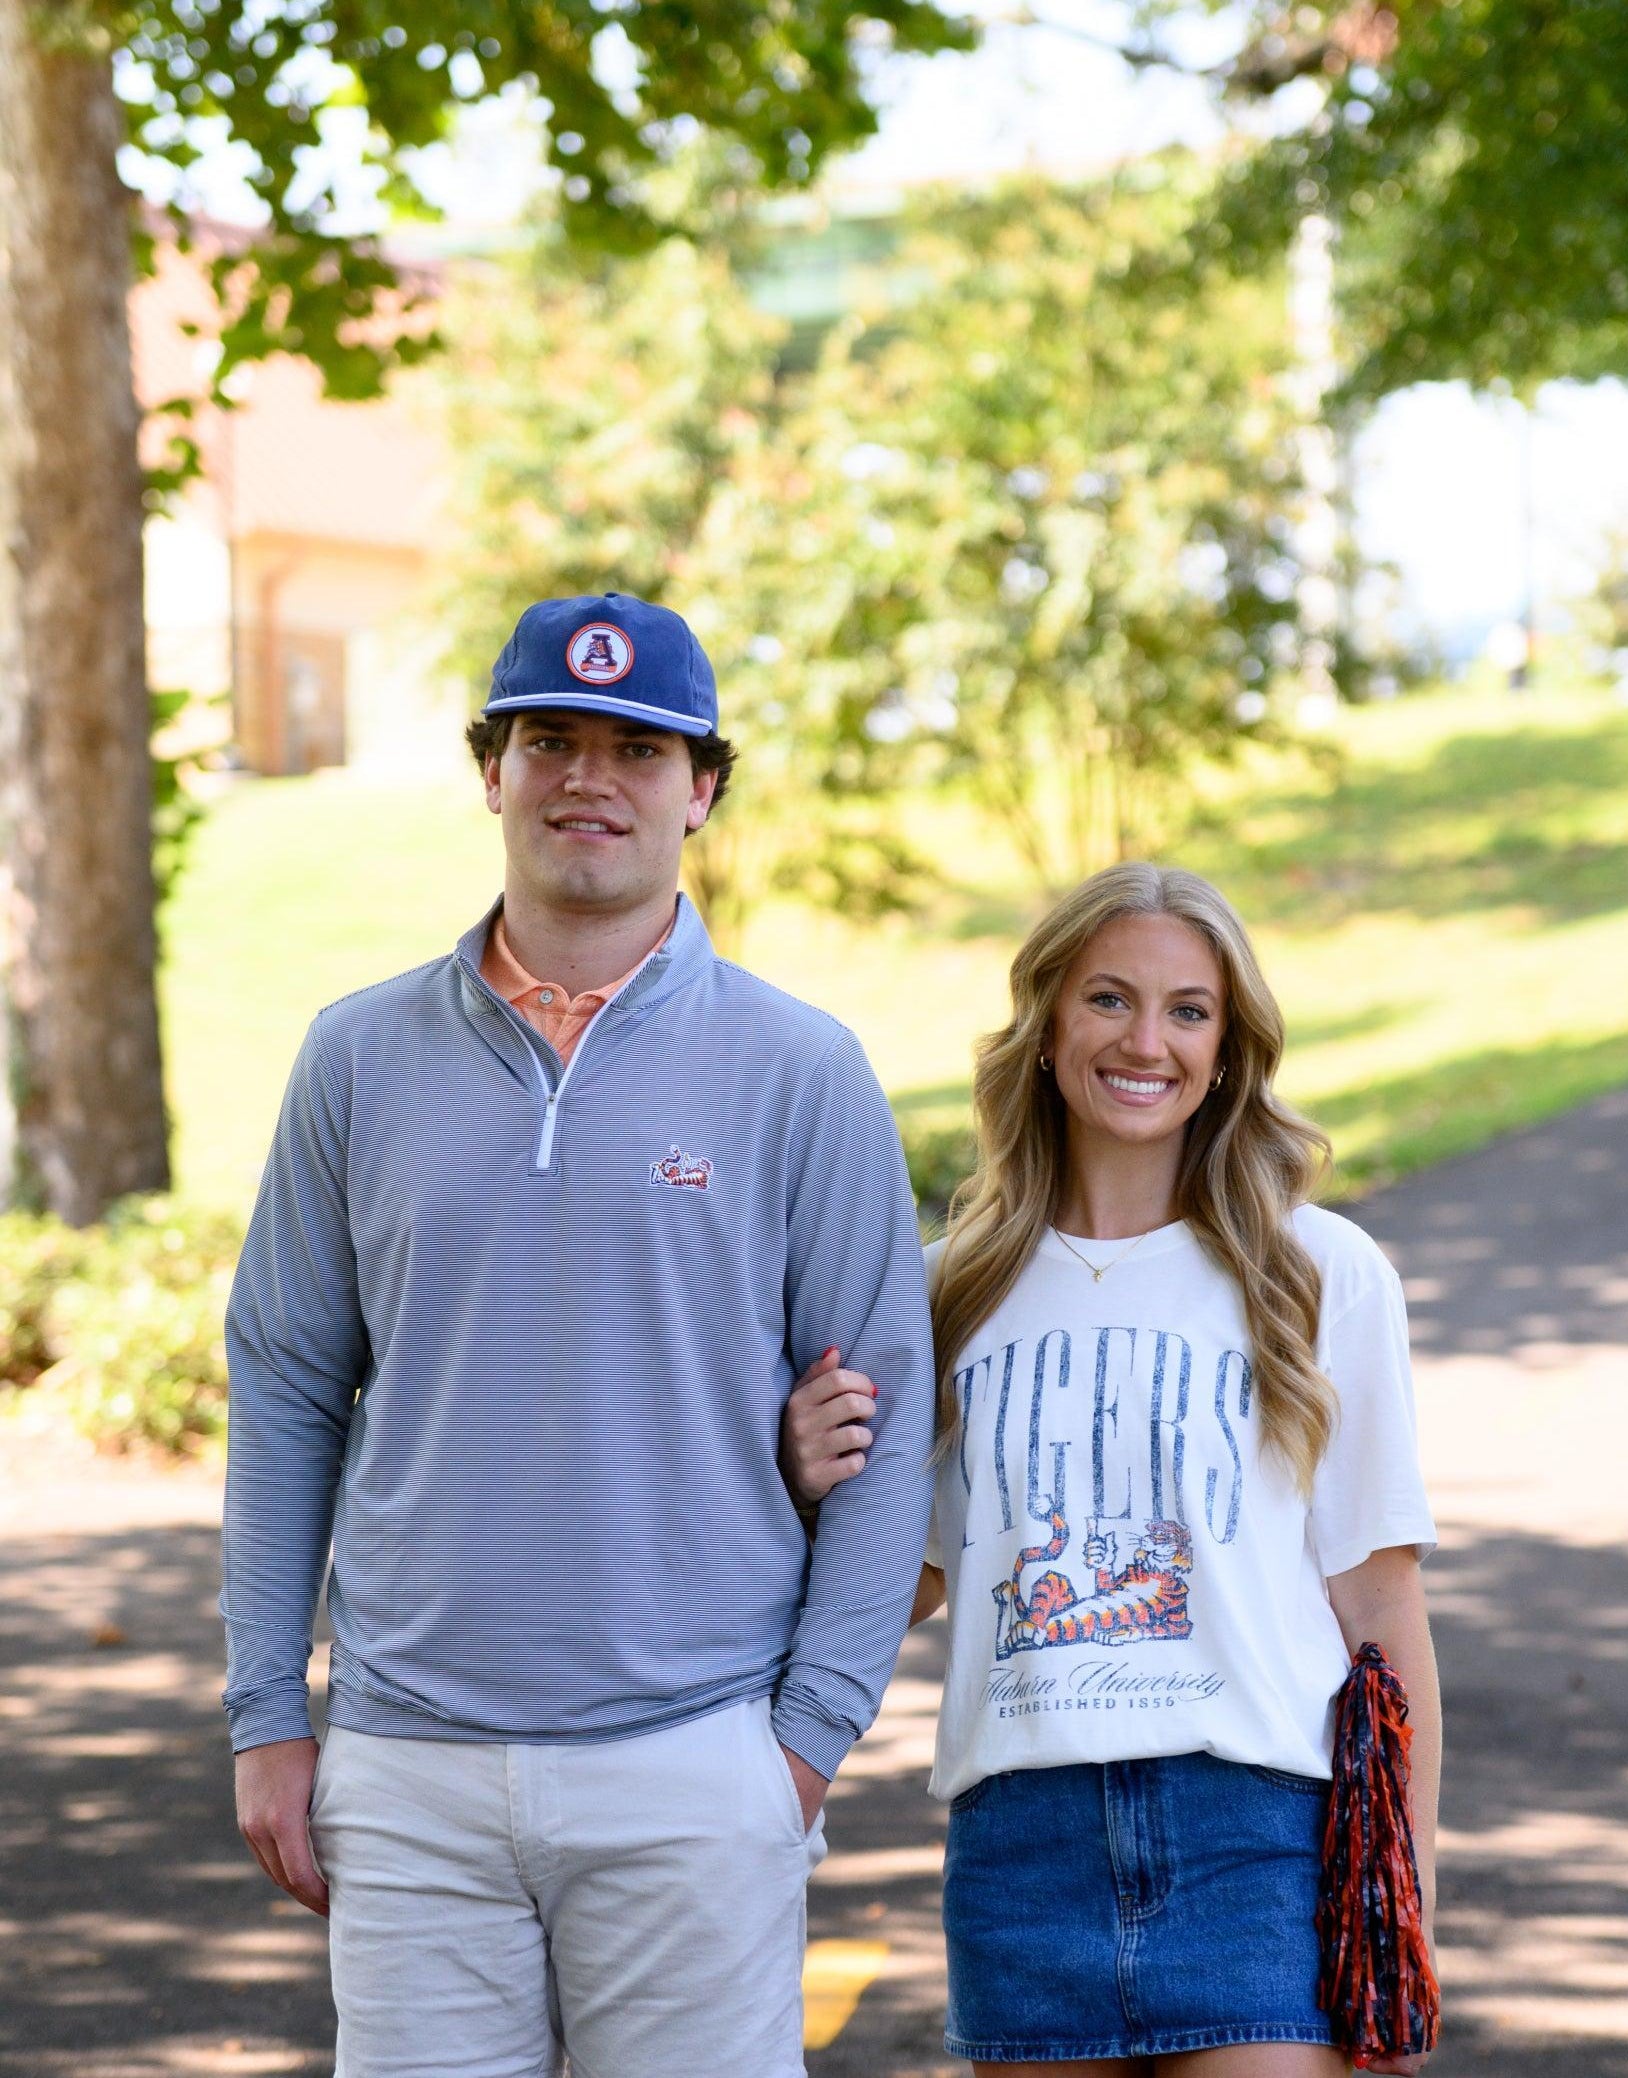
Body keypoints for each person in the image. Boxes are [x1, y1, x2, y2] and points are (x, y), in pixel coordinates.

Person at [220, 592, 935, 2078]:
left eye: (635, 747)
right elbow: (286, 1386)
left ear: (703, 789)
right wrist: (264, 1717)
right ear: (492, 770)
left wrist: (800, 1745)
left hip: (694, 1755)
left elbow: (886, 1415)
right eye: (548, 739)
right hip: (410, 1765)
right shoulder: (355, 1057)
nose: (586, 778)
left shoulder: (799, 1070)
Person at [784, 862, 1441, 2078]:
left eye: (1189, 1010)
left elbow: (1381, 1602)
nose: (1148, 1040)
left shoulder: (1317, 1270)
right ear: (1044, 1029)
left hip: (1256, 1836)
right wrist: (802, 1480)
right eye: (1108, 1000)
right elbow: (912, 1579)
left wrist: (1400, 1918)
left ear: (1228, 1048)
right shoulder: (942, 1290)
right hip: (1020, 1848)